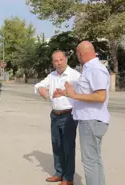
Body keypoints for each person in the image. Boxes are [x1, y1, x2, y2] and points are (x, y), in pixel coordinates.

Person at [61, 41, 110, 185]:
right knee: (95, 160)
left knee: (90, 162)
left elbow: (100, 97)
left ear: (80, 53)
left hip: (91, 121)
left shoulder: (95, 69)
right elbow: (87, 92)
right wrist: (68, 93)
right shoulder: (89, 69)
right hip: (90, 120)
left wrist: (74, 95)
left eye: (77, 54)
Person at [34, 50, 81, 185]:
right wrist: (42, 90)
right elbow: (38, 85)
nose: (59, 63)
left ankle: (68, 178)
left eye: (61, 59)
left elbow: (81, 93)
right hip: (55, 115)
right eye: (56, 61)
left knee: (68, 147)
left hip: (69, 116)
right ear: (53, 63)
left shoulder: (75, 76)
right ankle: (59, 173)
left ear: (66, 59)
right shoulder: (52, 76)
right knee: (57, 145)